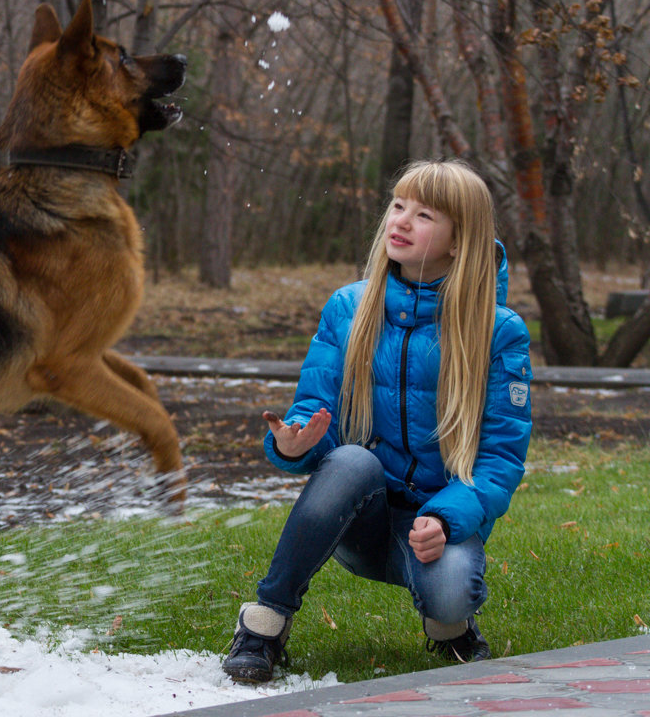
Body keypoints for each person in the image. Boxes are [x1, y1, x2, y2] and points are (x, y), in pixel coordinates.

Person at [222, 159, 533, 685]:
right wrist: (296, 445)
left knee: (452, 589)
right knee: (348, 460)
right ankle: (265, 623)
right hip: (358, 516)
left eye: (425, 214)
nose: (402, 221)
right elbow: (312, 405)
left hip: (433, 528)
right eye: (398, 206)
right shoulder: (348, 307)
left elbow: (500, 458)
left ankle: (448, 623)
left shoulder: (498, 331)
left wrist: (447, 519)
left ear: (460, 240)